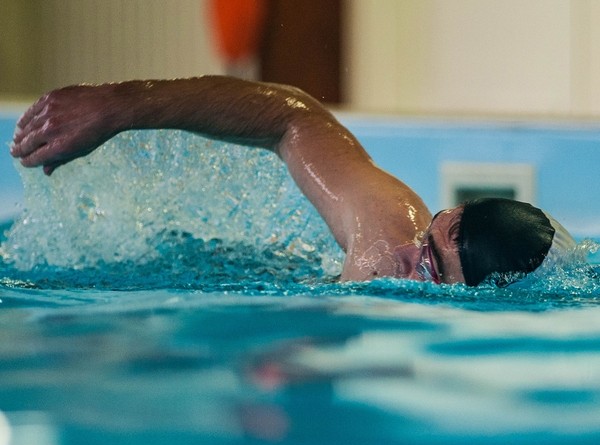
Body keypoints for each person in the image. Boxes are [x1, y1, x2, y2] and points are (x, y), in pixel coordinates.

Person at [9, 76, 575, 286]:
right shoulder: (389, 233)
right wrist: (121, 105)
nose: (403, 254)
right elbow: (294, 117)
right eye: (426, 237)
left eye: (430, 266)